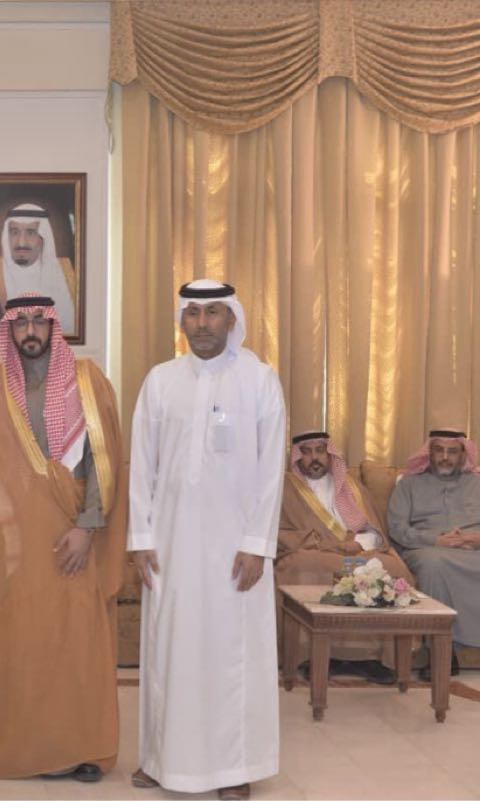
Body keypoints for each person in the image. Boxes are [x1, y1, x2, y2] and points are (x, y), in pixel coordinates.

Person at [0, 293, 125, 781]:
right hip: (10, 546)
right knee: (17, 645)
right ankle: (21, 745)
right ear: (8, 329)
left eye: (38, 321)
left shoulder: (88, 382)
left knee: (75, 645)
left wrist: (87, 527)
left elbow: (104, 460)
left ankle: (81, 748)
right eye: (21, 322)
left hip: (70, 539)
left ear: (54, 326)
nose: (30, 330)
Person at [128, 279, 286, 801]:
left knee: (232, 655)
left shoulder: (260, 381)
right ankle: (161, 758)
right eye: (192, 313)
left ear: (231, 319)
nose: (202, 323)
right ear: (182, 321)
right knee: (169, 649)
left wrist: (257, 544)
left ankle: (233, 767)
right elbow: (142, 465)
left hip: (235, 550)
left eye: (213, 312)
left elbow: (271, 472)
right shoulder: (160, 381)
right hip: (170, 545)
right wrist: (141, 536)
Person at [277, 430, 414, 684]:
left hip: (358, 553)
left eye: (320, 451)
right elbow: (281, 534)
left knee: (390, 567)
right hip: (315, 553)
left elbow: (374, 530)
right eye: (307, 452)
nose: (314, 458)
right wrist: (330, 545)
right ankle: (310, 655)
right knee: (301, 566)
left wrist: (358, 543)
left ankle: (371, 658)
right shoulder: (285, 488)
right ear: (296, 457)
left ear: (330, 455)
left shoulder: (351, 486)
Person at [387, 429, 480, 677]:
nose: (445, 457)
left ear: (463, 455)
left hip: (473, 549)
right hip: (426, 548)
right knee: (433, 564)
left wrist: (474, 539)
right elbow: (397, 528)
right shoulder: (409, 484)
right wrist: (436, 539)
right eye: (439, 450)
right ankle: (441, 650)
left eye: (452, 451)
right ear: (429, 453)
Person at [0, 203, 78, 336]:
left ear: (43, 238)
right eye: (14, 232)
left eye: (31, 233)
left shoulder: (69, 273)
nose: (21, 242)